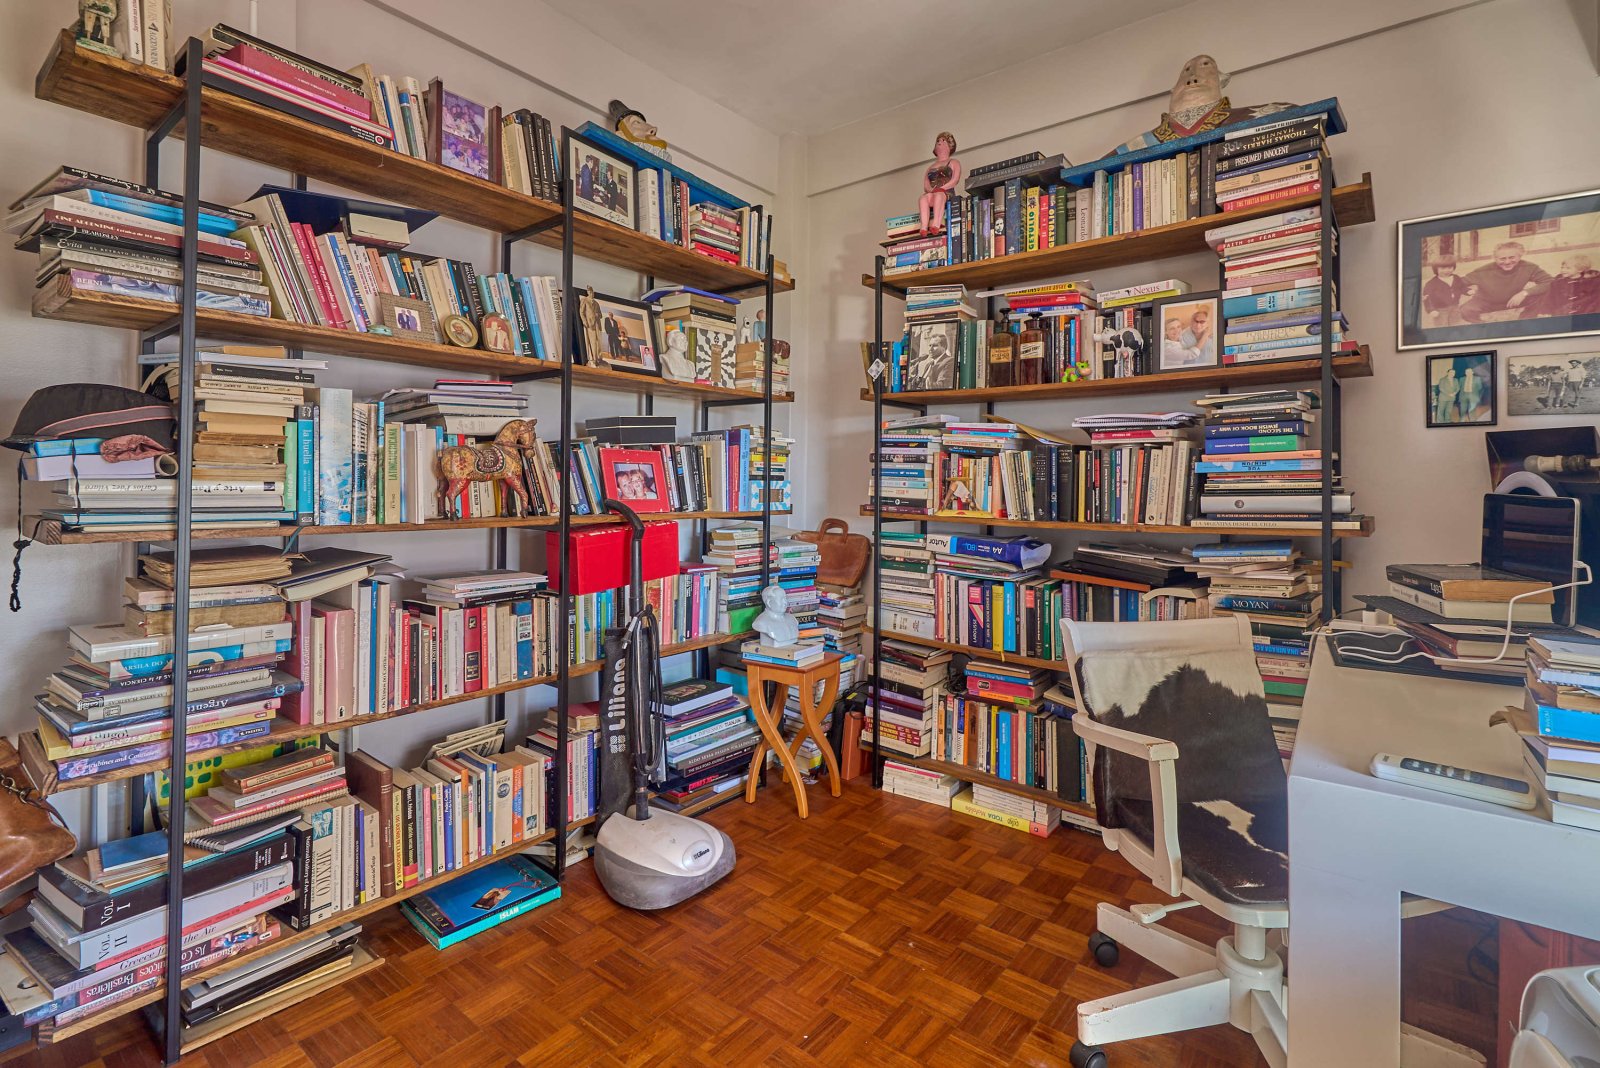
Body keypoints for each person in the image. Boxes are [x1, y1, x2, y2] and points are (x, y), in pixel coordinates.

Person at [1460, 241, 1553, 322]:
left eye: (1512, 257)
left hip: (1512, 301)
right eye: (1502, 259)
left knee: (1543, 294)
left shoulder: (1529, 267)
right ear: (1495, 259)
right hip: (1486, 302)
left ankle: (1524, 321)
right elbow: (1458, 283)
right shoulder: (1483, 270)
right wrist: (1468, 291)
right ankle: (1484, 327)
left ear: (1519, 256)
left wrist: (1524, 293)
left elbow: (1549, 281)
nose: (1507, 262)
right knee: (1465, 310)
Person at [1422, 259, 1468, 327]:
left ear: (1454, 267)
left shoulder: (1456, 278)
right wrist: (1431, 310)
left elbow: (1462, 287)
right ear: (1436, 269)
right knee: (1441, 325)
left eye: (1450, 268)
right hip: (1440, 310)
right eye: (1443, 268)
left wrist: (1467, 291)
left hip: (1455, 306)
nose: (1447, 270)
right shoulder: (1431, 283)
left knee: (1456, 323)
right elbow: (1427, 298)